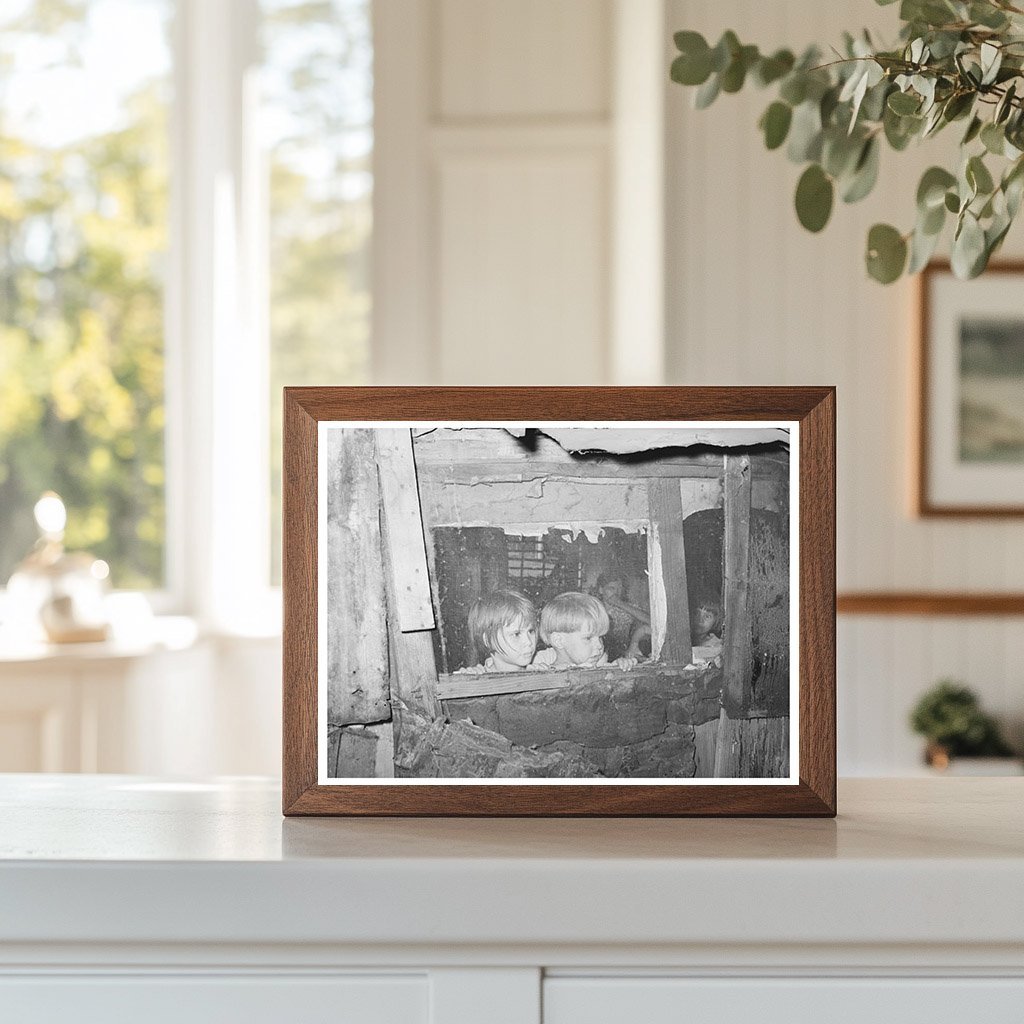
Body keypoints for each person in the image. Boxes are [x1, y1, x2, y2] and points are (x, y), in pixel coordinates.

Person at [532, 592, 637, 670]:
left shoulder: (597, 664)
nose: (600, 646)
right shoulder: (545, 674)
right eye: (588, 638)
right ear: (558, 640)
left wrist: (619, 666)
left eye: (600, 637)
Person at [456, 589, 539, 674]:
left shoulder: (539, 670)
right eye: (516, 634)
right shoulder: (480, 679)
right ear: (487, 641)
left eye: (531, 631)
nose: (529, 642)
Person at [593, 570, 650, 660]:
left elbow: (651, 621)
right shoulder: (593, 609)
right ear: (601, 590)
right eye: (612, 588)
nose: (616, 592)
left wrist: (620, 604)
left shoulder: (626, 609)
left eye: (619, 588)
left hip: (624, 660)